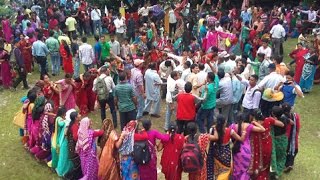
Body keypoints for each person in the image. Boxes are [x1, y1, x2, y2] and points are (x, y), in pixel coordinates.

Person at [249, 109, 284, 179]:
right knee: (266, 163)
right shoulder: (268, 120)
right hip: (268, 146)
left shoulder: (253, 126)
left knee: (258, 163)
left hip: (259, 148)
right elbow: (282, 124)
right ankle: (265, 176)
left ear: (254, 117)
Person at [207, 115, 245, 180]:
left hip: (215, 153)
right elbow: (240, 139)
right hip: (226, 154)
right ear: (225, 123)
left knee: (216, 172)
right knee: (225, 171)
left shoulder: (212, 130)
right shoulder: (230, 131)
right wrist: (244, 134)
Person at [230, 113, 266, 180]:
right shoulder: (248, 126)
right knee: (245, 170)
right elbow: (263, 129)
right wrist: (255, 122)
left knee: (237, 170)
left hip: (236, 150)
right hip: (246, 151)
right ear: (244, 119)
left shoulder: (232, 126)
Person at [270, 106, 290, 179]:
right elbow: (290, 122)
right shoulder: (284, 118)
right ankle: (278, 172)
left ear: (273, 114)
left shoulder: (273, 121)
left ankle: (274, 172)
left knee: (274, 156)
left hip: (275, 140)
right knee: (281, 157)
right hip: (283, 140)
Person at [64, 111, 83, 180]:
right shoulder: (74, 126)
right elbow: (75, 137)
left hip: (72, 148)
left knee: (77, 166)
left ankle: (67, 176)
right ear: (76, 118)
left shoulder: (73, 124)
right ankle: (70, 177)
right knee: (78, 166)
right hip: (74, 150)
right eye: (79, 114)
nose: (80, 115)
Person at [55, 109, 75, 177]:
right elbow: (66, 134)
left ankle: (63, 170)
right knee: (65, 158)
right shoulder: (67, 124)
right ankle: (62, 171)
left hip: (65, 142)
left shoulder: (66, 121)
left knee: (64, 157)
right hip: (66, 143)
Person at [283, 103, 301, 173]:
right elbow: (298, 127)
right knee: (294, 150)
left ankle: (286, 164)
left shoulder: (282, 117)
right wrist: (297, 134)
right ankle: (289, 164)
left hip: (285, 136)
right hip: (294, 137)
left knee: (285, 151)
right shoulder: (296, 116)